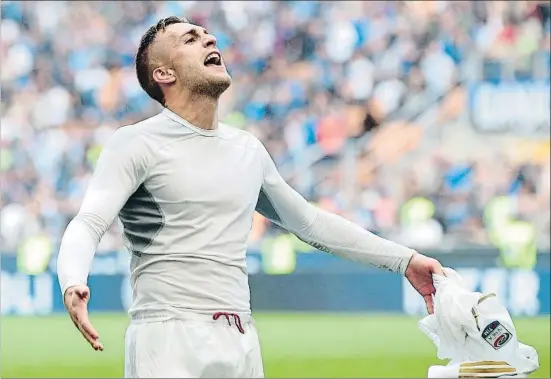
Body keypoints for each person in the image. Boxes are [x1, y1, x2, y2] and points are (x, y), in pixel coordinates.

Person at [56, 16, 445, 378]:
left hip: (241, 338)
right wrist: (73, 279)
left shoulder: (247, 149)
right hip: (168, 338)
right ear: (164, 73)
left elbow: (309, 223)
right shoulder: (135, 143)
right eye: (189, 38)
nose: (208, 37)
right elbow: (89, 222)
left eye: (206, 33)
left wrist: (404, 260)